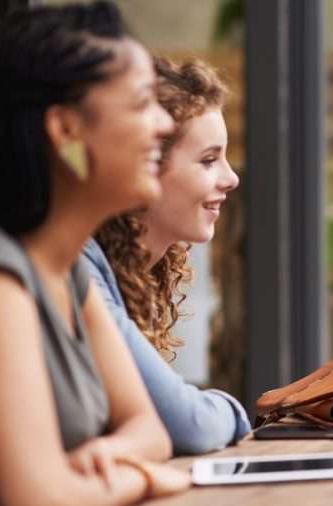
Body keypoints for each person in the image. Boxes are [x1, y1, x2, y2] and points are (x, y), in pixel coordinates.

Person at [0, 3, 190, 506]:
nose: (164, 123)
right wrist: (145, 480)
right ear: (66, 128)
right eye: (141, 102)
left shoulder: (66, 267)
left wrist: (115, 455)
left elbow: (149, 428)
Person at [83, 56, 247, 455]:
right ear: (147, 165)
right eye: (209, 160)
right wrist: (234, 411)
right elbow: (187, 423)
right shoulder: (80, 266)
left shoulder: (134, 272)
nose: (231, 178)